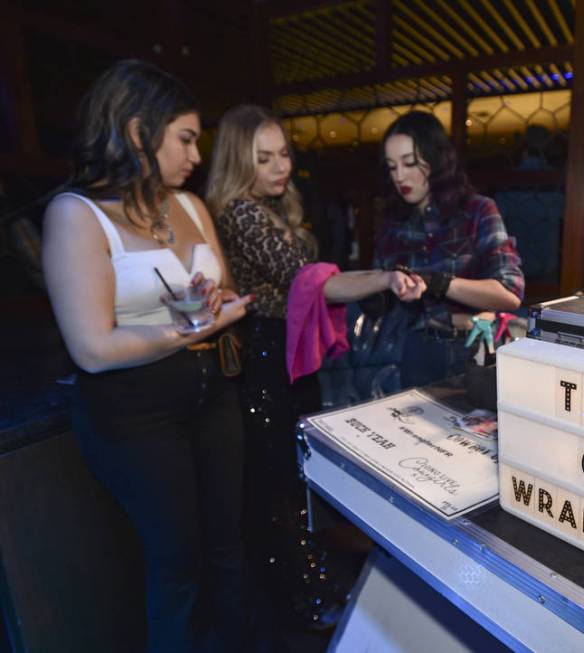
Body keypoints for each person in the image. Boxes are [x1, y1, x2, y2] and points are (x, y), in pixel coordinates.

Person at [42, 60, 254, 652]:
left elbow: (224, 295)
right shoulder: (75, 215)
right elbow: (93, 347)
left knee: (228, 547)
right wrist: (191, 328)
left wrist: (211, 303)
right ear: (138, 133)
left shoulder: (189, 206)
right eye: (185, 139)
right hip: (135, 414)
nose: (196, 154)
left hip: (213, 393)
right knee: (176, 563)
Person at [205, 104, 424, 631]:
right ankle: (300, 602)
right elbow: (310, 282)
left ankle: (304, 589)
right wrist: (384, 278)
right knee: (276, 480)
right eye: (264, 158)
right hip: (262, 356)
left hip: (279, 352)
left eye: (283, 153)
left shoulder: (266, 207)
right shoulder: (241, 212)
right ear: (239, 162)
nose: (280, 166)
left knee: (285, 475)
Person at [374, 110, 525, 388]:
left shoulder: (478, 210)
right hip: (415, 350)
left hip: (470, 347)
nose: (400, 176)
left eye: (409, 163)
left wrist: (439, 284)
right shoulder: (393, 222)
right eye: (392, 166)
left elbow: (510, 294)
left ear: (436, 159)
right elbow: (385, 295)